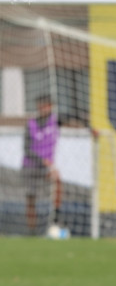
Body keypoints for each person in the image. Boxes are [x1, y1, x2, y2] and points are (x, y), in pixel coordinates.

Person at [22, 94, 64, 236]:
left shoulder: (56, 121)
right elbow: (26, 149)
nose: (44, 108)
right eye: (42, 105)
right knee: (31, 198)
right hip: (30, 166)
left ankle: (56, 218)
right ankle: (31, 230)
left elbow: (75, 117)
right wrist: (41, 160)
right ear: (38, 106)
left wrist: (90, 128)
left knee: (57, 181)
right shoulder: (31, 124)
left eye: (47, 105)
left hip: (47, 167)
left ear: (51, 106)